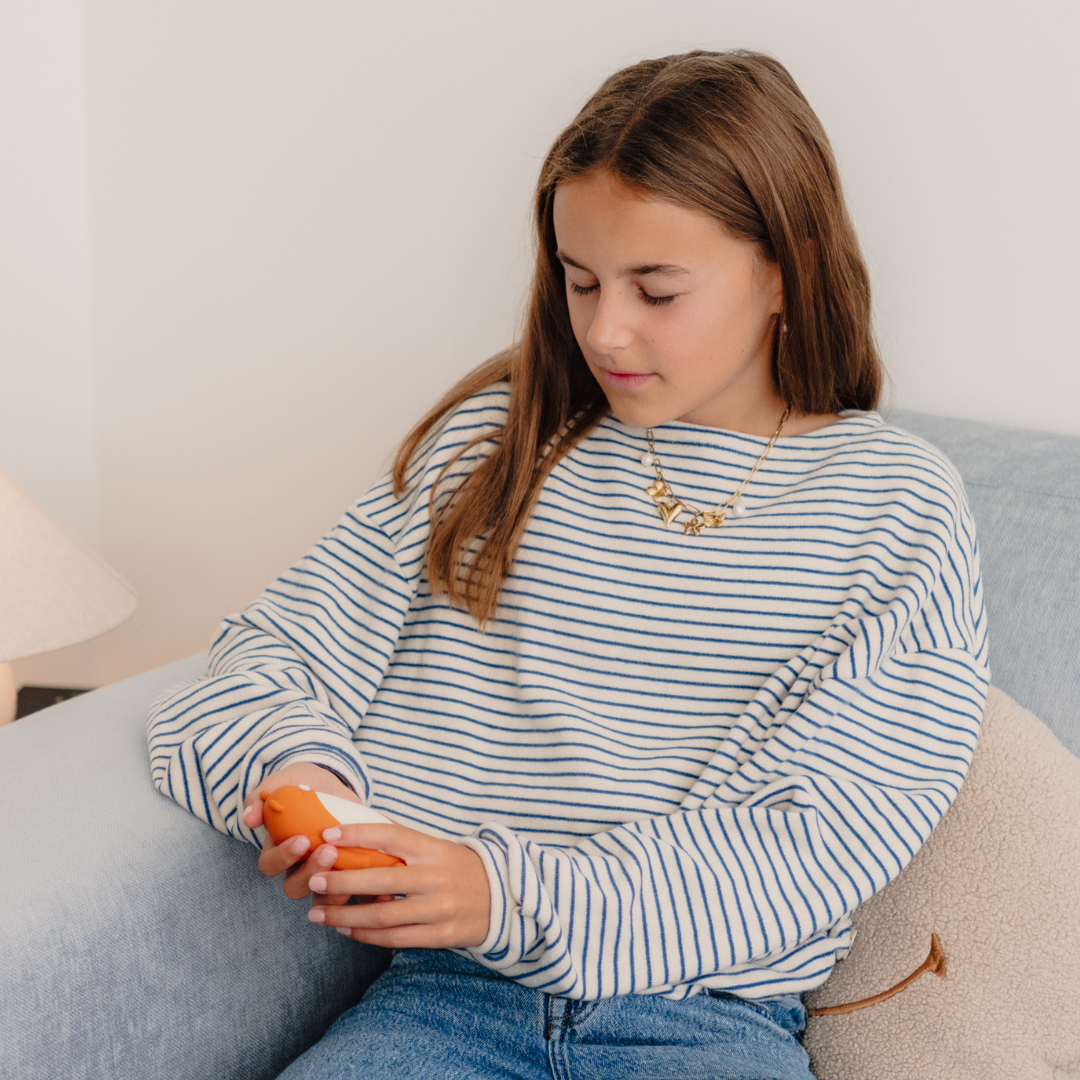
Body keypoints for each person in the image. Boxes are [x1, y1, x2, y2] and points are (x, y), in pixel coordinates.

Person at [146, 49, 989, 1080]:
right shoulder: (497, 447)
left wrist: (504, 894)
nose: (604, 328)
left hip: (706, 1022)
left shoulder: (893, 503)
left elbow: (824, 838)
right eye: (579, 280)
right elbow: (255, 667)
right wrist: (301, 775)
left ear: (785, 268)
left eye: (656, 287)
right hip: (444, 1004)